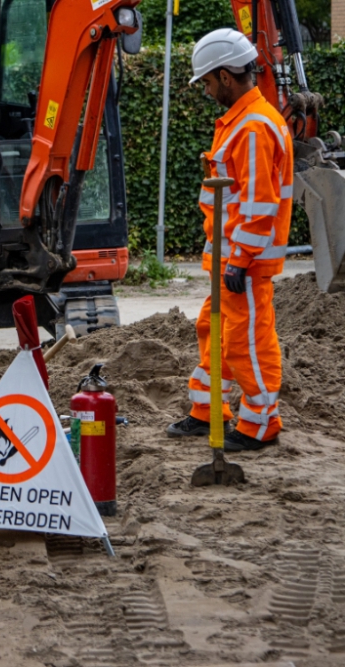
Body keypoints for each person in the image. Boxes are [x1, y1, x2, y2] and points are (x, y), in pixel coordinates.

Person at [167, 28, 292, 451]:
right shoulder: (240, 122)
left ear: (225, 76)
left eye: (206, 82)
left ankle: (260, 425)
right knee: (213, 330)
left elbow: (259, 203)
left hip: (246, 264)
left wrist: (239, 258)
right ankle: (207, 412)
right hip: (232, 260)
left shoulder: (253, 127)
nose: (206, 91)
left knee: (246, 342)